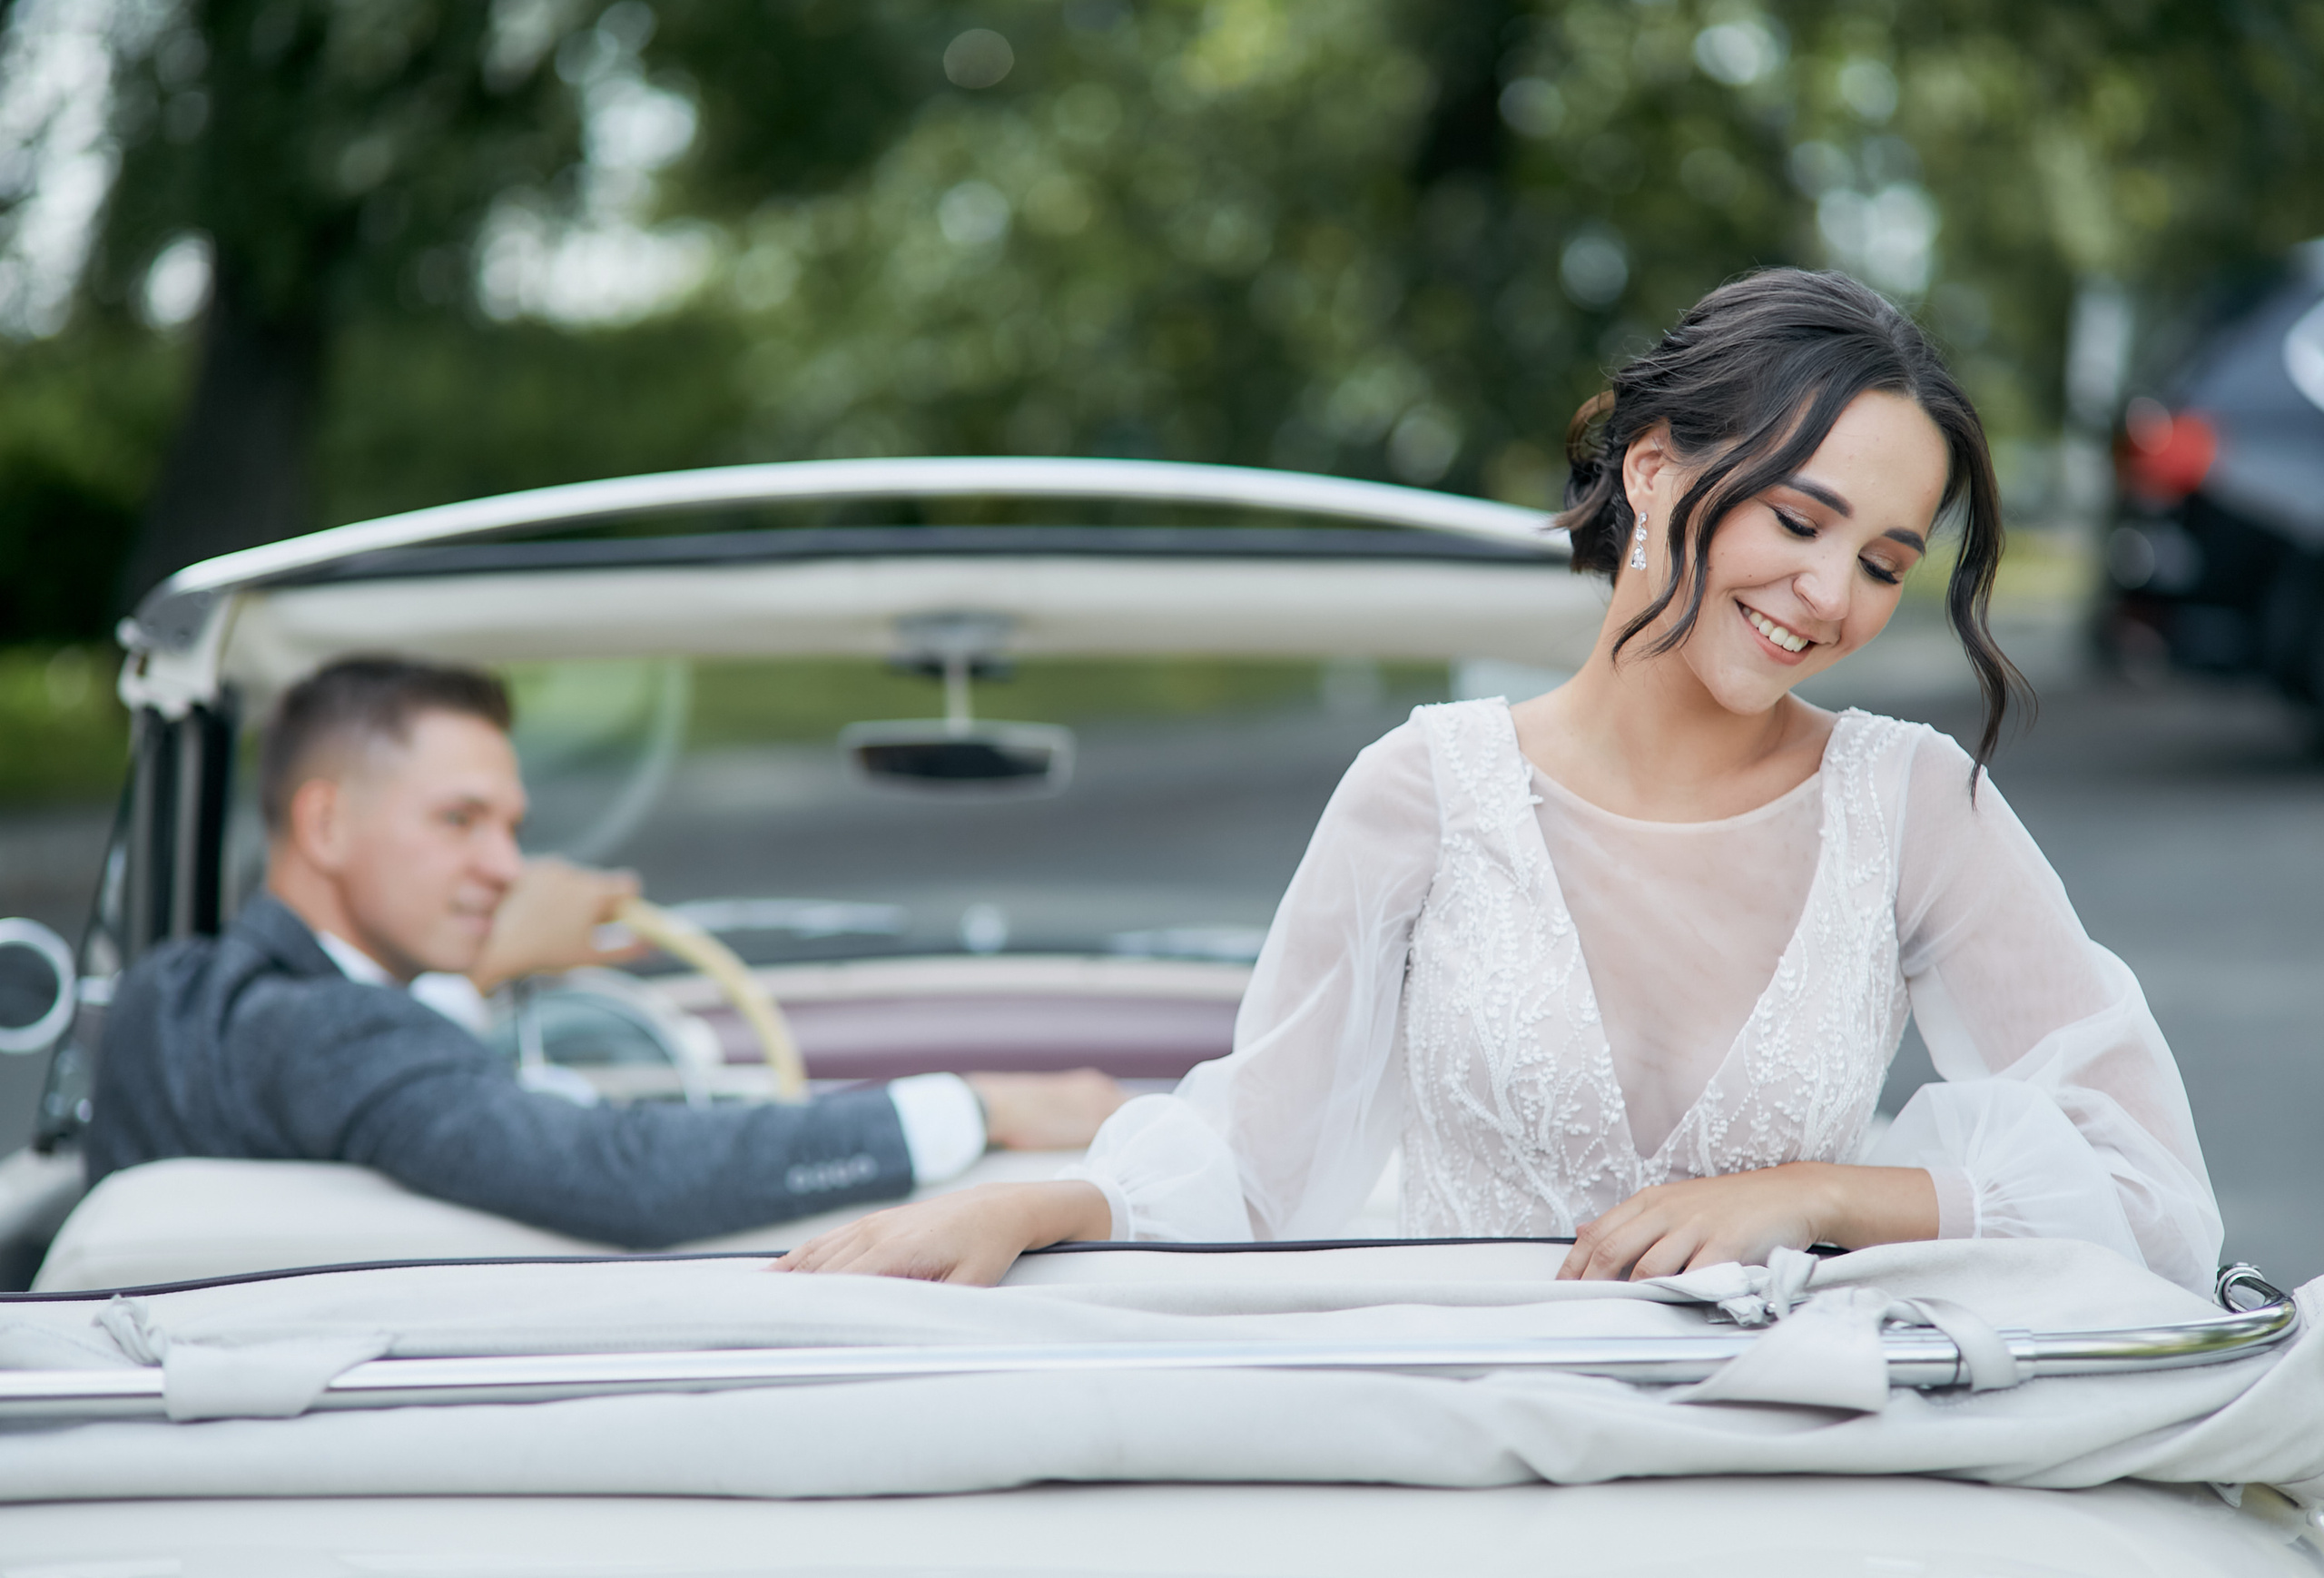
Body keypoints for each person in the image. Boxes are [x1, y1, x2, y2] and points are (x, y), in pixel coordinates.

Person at [774, 268, 2224, 1293]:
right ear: (1655, 472)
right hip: (1462, 1427)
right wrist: (1034, 1201)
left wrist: (1820, 1195)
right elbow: (1259, 1155)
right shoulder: (1424, 787)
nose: (1831, 594)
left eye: (1888, 563)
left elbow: (2150, 1198)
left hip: (1782, 1456)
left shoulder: (1913, 806)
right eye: (1800, 517)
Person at [84, 656, 1125, 1248]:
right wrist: (980, 1104)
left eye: (510, 823)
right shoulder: (321, 1033)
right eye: (459, 820)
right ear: (322, 826)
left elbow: (371, 1071)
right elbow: (619, 1176)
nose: (507, 863)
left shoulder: (172, 997)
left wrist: (473, 975)